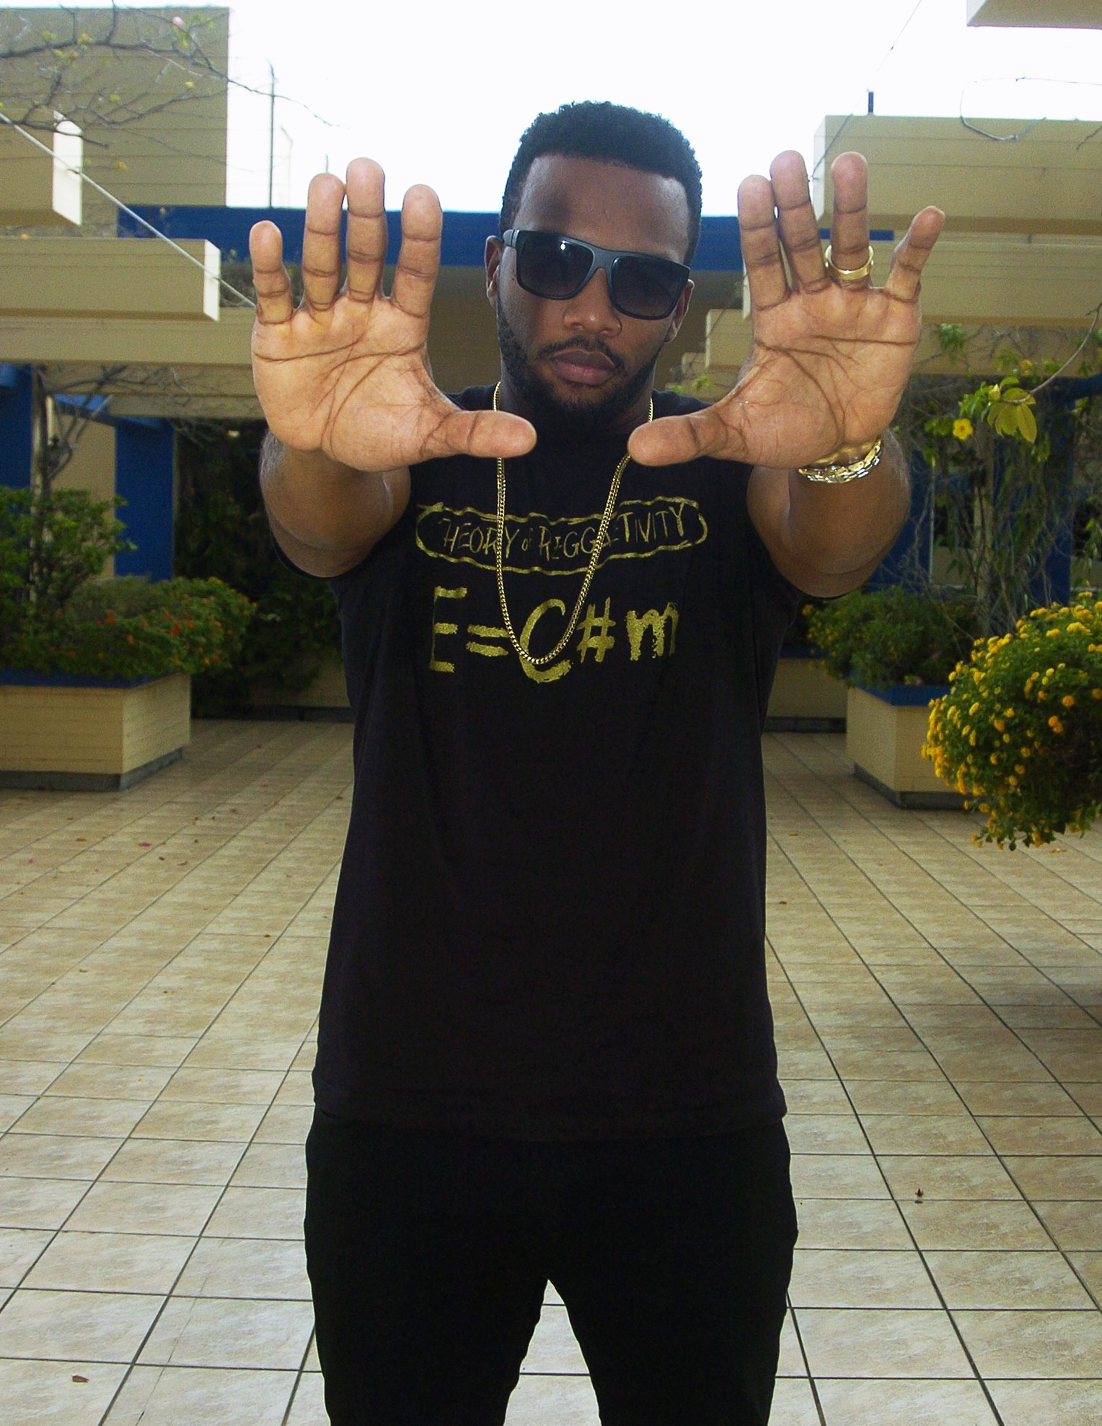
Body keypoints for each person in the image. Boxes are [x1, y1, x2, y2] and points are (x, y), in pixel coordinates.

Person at [249, 101, 943, 1425]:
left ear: (678, 309)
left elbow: (833, 543)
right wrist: (322, 434)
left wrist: (846, 439)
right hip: (413, 1109)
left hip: (685, 1114)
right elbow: (321, 520)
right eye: (556, 258)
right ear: (497, 263)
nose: (589, 307)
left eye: (640, 281)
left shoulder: (724, 467)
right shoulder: (410, 450)